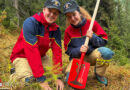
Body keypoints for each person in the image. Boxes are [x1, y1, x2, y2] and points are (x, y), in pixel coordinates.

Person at [10, 0, 64, 90]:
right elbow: (32, 51)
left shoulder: (56, 29)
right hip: (22, 56)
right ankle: (15, 74)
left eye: (55, 13)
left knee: (51, 79)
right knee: (29, 83)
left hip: (41, 56)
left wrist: (58, 77)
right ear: (43, 10)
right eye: (49, 11)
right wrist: (41, 79)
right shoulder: (30, 23)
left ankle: (35, 73)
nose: (52, 15)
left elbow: (57, 52)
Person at [63, 0, 114, 86]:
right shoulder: (68, 31)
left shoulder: (91, 23)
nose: (72, 18)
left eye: (74, 14)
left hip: (92, 55)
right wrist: (79, 50)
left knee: (107, 53)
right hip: (77, 59)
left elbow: (104, 40)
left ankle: (99, 74)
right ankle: (73, 73)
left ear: (79, 13)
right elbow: (68, 50)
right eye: (69, 17)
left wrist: (93, 37)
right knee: (69, 81)